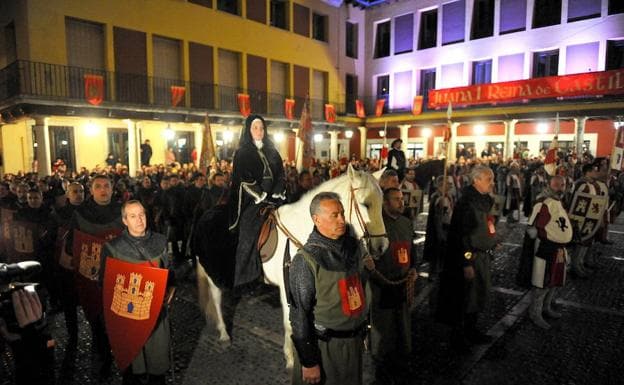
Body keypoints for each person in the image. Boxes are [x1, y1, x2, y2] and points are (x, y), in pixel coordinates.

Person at [289, 192, 370, 385]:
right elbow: (299, 314)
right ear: (316, 219)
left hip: (353, 343)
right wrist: (309, 362)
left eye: (342, 213)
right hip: (325, 348)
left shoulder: (353, 248)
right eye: (334, 215)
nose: (342, 219)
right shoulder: (305, 260)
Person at [100, 201, 174, 385]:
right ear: (125, 220)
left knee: (158, 369)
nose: (139, 220)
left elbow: (170, 272)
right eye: (133, 216)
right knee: (132, 371)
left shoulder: (161, 241)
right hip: (128, 319)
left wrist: (171, 288)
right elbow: (105, 283)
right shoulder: (112, 248)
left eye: (142, 214)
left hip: (156, 314)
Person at [65, 175, 123, 378]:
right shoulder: (79, 214)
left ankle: (125, 359)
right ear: (91, 190)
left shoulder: (123, 211)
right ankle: (103, 360)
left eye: (107, 185)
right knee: (98, 323)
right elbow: (71, 245)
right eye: (98, 186)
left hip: (119, 276)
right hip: (93, 279)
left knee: (121, 320)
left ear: (112, 188)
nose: (103, 190)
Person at [437, 165, 498, 352]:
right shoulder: (466, 203)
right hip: (470, 259)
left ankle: (472, 331)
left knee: (477, 297)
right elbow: (462, 236)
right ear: (476, 180)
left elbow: (485, 226)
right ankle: (459, 337)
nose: (492, 183)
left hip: (482, 257)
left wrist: (492, 241)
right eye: (489, 179)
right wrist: (467, 261)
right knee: (464, 299)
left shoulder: (483, 201)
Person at [229, 114, 285, 289]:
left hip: (274, 198)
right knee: (249, 232)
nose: (259, 131)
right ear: (248, 130)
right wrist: (260, 195)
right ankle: (245, 277)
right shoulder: (242, 153)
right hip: (251, 200)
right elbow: (244, 178)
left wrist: (277, 191)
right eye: (255, 128)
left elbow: (281, 174)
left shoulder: (273, 151)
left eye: (261, 128)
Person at [370, 188, 418, 384]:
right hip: (384, 284)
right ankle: (382, 367)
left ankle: (401, 361)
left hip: (403, 281)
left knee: (402, 325)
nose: (401, 202)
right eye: (396, 200)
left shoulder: (406, 223)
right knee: (384, 328)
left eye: (402, 199)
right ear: (385, 203)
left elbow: (412, 249)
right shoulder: (377, 225)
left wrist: (414, 268)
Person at [519, 175, 573, 329]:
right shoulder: (542, 203)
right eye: (557, 185)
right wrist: (543, 239)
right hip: (545, 248)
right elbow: (532, 227)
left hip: (559, 249)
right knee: (542, 282)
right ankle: (535, 313)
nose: (561, 187)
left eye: (562, 184)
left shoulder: (558, 202)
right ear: (549, 185)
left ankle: (546, 307)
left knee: (554, 280)